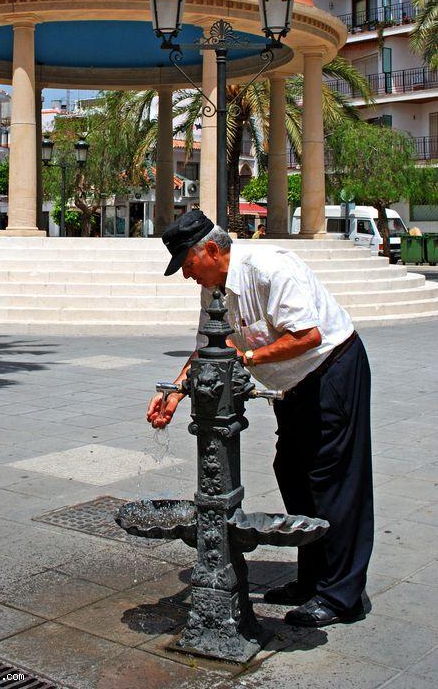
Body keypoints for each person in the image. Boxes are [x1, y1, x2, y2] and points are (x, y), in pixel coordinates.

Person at [146, 208, 373, 629]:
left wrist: (245, 358)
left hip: (332, 370)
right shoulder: (212, 289)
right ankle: (311, 580)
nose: (185, 275)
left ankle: (342, 595)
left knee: (333, 480)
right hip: (291, 385)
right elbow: (207, 346)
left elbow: (308, 336)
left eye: (187, 264)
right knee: (292, 471)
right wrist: (175, 392)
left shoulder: (270, 268)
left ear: (211, 250)